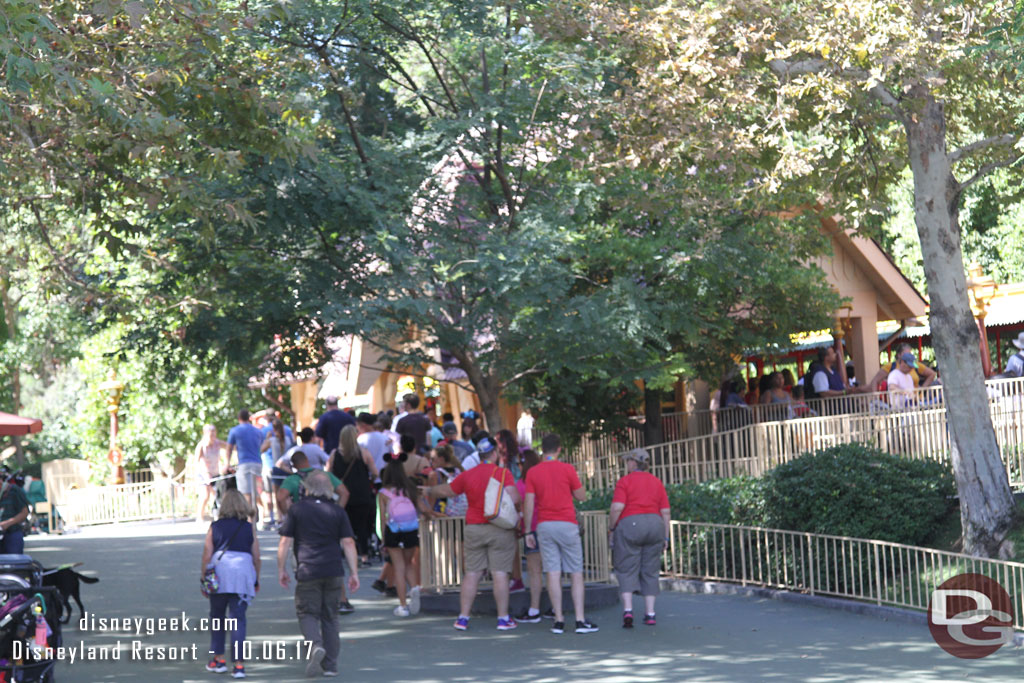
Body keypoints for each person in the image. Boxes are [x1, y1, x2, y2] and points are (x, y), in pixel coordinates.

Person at [425, 435, 521, 632]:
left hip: (473, 527)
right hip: (499, 527)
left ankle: (463, 618)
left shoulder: (468, 474)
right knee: (500, 573)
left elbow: (448, 491)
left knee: (472, 573)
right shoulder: (502, 474)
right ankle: (503, 619)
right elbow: (514, 497)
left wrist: (427, 489)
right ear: (494, 453)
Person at [277, 471, 360, 678]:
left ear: (306, 487)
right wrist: (354, 572)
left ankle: (315, 645)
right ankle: (331, 665)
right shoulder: (337, 511)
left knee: (307, 612)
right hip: (333, 569)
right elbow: (348, 542)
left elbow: (285, 541)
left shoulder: (296, 510)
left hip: (307, 568)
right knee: (330, 617)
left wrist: (281, 569)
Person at [523, 434, 598, 634]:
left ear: (542, 450)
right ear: (559, 449)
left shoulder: (533, 472)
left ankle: (558, 620)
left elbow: (529, 503)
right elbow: (581, 496)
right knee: (575, 573)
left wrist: (528, 530)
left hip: (545, 525)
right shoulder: (567, 469)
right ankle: (580, 620)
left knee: (552, 573)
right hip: (567, 524)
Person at [608, 449, 670, 628]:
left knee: (626, 567)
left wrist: (612, 528)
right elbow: (665, 512)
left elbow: (617, 508)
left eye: (628, 461)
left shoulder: (625, 481)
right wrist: (665, 536)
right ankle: (650, 614)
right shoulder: (657, 482)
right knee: (650, 570)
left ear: (634, 463)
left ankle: (628, 611)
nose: (626, 464)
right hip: (655, 525)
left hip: (631, 524)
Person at [202, 489, 259, 679]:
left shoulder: (215, 527)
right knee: (238, 619)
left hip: (220, 573)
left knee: (217, 616)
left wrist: (204, 578)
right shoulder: (248, 527)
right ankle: (239, 664)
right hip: (242, 574)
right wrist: (256, 578)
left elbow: (207, 554)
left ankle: (218, 659)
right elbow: (256, 556)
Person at [378, 455, 431, 617]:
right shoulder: (411, 489)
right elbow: (423, 509)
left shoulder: (383, 493)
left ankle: (403, 606)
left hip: (393, 531)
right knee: (409, 563)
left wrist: (383, 540)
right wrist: (433, 516)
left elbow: (382, 518)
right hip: (410, 531)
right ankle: (414, 587)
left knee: (399, 568)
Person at [329, 425, 379, 570]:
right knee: (362, 526)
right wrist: (368, 479)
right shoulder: (363, 453)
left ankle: (346, 554)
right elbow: (375, 472)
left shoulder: (335, 455)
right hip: (362, 494)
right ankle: (364, 556)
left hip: (342, 494)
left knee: (344, 525)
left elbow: (328, 473)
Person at [513, 449, 550, 624]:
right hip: (550, 526)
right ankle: (553, 607)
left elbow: (517, 504)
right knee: (552, 568)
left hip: (532, 528)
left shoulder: (522, 483)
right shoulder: (546, 479)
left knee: (534, 571)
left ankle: (534, 609)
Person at [277, 452, 349, 515]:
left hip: (302, 520)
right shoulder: (325, 475)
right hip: (325, 518)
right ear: (307, 460)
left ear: (294, 466)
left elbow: (281, 497)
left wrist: (288, 515)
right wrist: (337, 512)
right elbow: (344, 493)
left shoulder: (292, 480)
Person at [225, 409, 265, 516]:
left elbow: (229, 448)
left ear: (239, 419)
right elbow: (262, 445)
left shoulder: (235, 431)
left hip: (244, 464)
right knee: (257, 492)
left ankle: (249, 519)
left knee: (246, 493)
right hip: (257, 463)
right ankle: (262, 514)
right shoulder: (258, 431)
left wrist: (227, 463)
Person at [258, 418, 290, 529]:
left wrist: (266, 438)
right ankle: (286, 516)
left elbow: (261, 449)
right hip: (287, 469)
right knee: (287, 495)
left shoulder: (271, 440)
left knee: (276, 495)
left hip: (276, 468)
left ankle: (279, 517)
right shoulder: (288, 439)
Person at [194, 424, 225, 522]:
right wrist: (205, 473)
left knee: (217, 494)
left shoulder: (217, 443)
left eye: (214, 433)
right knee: (205, 495)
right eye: (211, 434)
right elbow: (197, 461)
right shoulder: (201, 446)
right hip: (203, 474)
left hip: (215, 472)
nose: (213, 436)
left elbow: (229, 446)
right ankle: (200, 517)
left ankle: (216, 513)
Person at [425, 444, 466, 516]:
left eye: (433, 459)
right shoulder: (459, 471)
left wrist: (428, 513)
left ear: (441, 459)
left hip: (443, 517)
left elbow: (431, 500)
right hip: (462, 516)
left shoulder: (434, 475)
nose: (430, 462)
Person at [0, 476, 29, 554]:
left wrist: (7, 523)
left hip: (13, 533)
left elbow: (24, 512)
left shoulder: (14, 490)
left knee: (14, 561)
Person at [356, 412, 390, 479]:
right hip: (385, 477)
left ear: (363, 425)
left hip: (369, 478)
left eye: (357, 425)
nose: (356, 427)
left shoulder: (360, 440)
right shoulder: (385, 438)